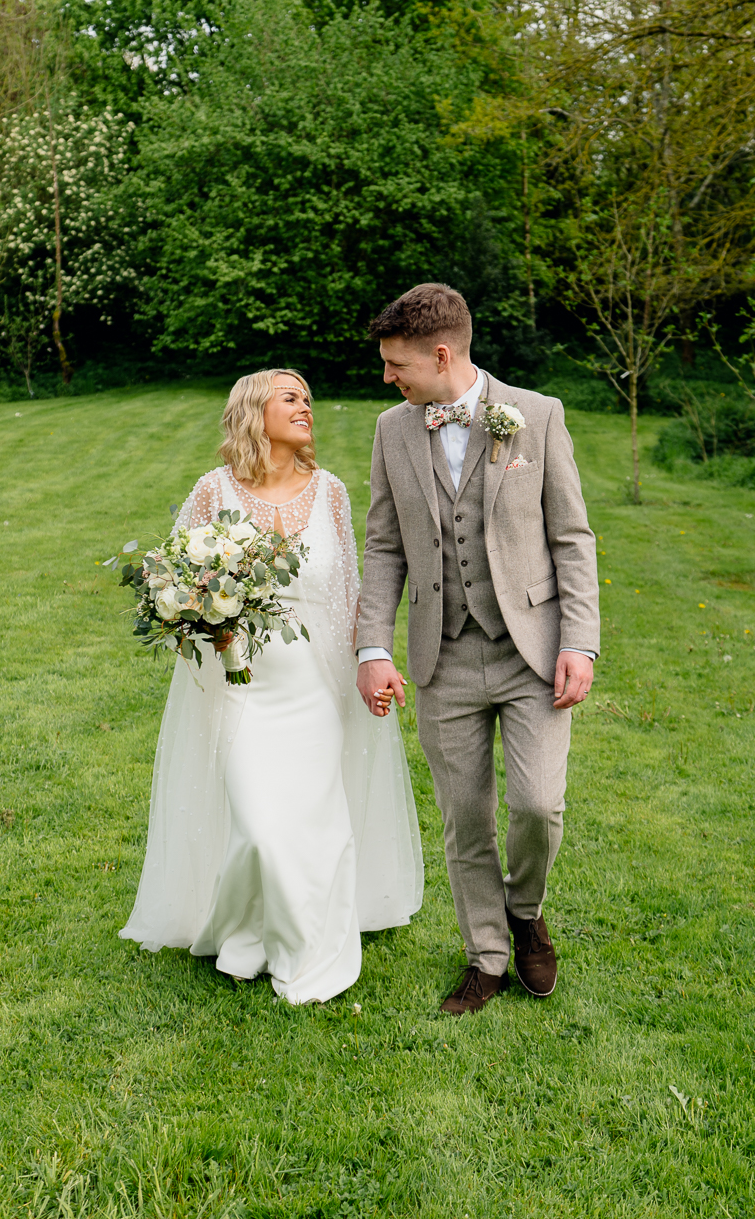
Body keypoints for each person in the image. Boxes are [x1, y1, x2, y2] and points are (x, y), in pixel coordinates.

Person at [121, 369, 424, 1004]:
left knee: (313, 821)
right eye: (292, 398)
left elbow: (349, 590)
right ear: (255, 411)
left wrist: (369, 661)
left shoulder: (332, 492)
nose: (306, 408)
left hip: (316, 683)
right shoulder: (213, 491)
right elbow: (176, 582)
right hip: (241, 685)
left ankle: (309, 949)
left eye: (308, 399)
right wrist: (211, 625)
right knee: (259, 826)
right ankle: (245, 935)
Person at [355, 284, 601, 1015]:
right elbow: (383, 543)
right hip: (443, 655)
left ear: (440, 354)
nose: (389, 377)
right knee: (464, 816)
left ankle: (525, 912)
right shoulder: (390, 431)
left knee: (536, 803)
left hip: (533, 649)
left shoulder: (538, 415)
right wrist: (373, 644)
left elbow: (572, 539)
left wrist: (580, 641)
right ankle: (487, 956)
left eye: (397, 364)